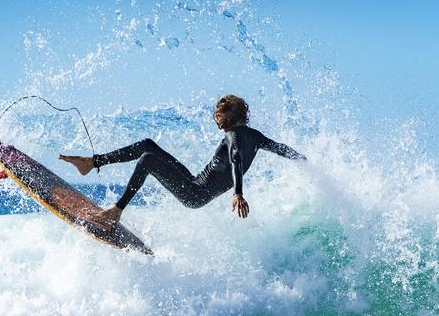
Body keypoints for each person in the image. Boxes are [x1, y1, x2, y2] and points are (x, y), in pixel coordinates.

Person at [59, 95, 306, 227]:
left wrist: (238, 193)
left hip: (194, 194)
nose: (216, 119)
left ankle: (116, 210)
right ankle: (92, 162)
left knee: (147, 159)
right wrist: (306, 161)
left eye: (219, 114)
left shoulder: (233, 136)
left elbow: (236, 159)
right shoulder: (255, 136)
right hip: (194, 182)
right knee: (147, 144)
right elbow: (280, 148)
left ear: (229, 114)